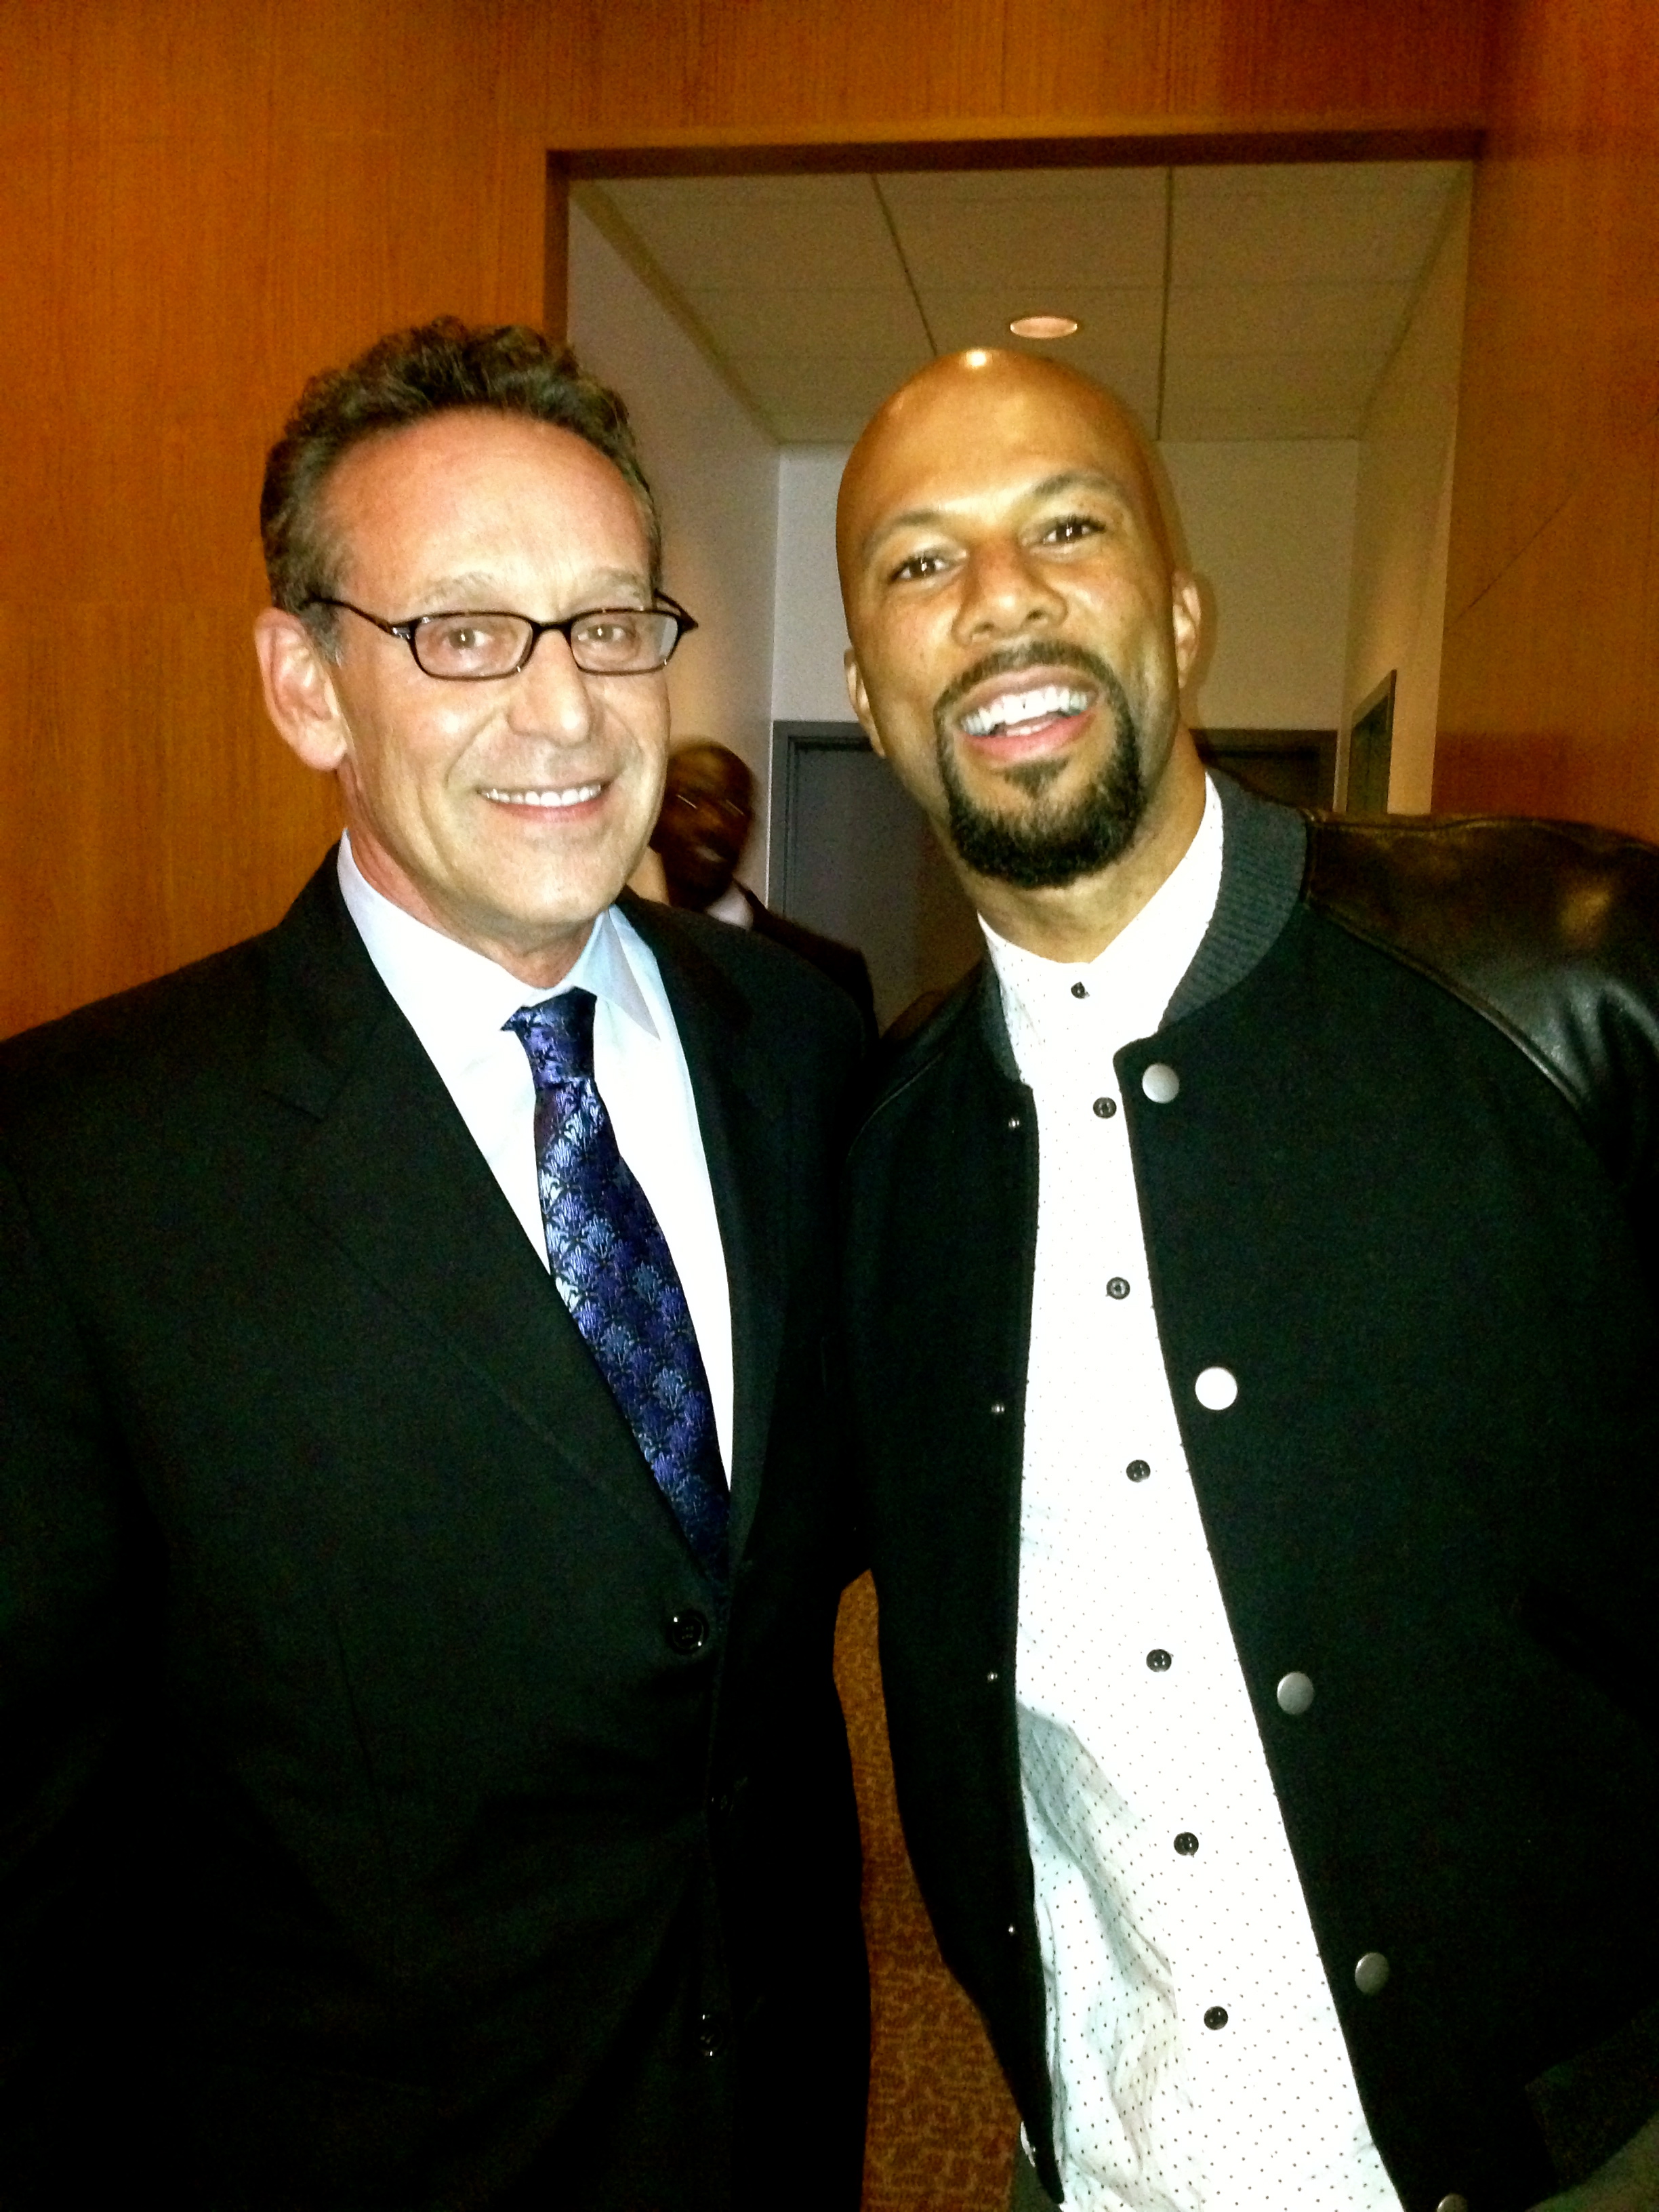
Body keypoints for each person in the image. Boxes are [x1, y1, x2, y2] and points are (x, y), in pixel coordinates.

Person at [0, 319, 868, 2210]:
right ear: (307, 685)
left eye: (612, 621)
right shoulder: (78, 1167)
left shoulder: (803, 1045)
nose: (563, 711)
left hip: (776, 2117)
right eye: (465, 635)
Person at [834, 346, 1659, 2212]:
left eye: (1068, 525)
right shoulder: (884, 1173)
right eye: (918, 564)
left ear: (1183, 613)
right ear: (874, 703)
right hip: (1117, 2161)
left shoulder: (1564, 989)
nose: (1002, 599)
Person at [650, 739, 878, 1042]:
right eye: (689, 801)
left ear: (750, 828)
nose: (713, 823)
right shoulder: (620, 957)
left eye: (731, 807)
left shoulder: (828, 973)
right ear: (651, 824)